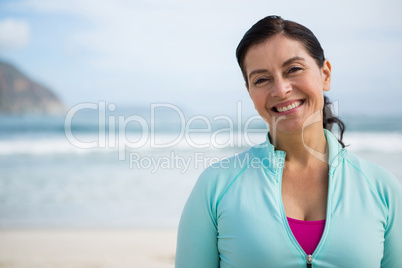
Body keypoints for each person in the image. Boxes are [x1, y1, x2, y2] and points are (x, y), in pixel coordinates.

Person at [175, 15, 402, 268]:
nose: (280, 90)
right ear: (250, 92)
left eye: (293, 69)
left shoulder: (382, 190)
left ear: (325, 74)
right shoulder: (215, 188)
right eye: (261, 79)